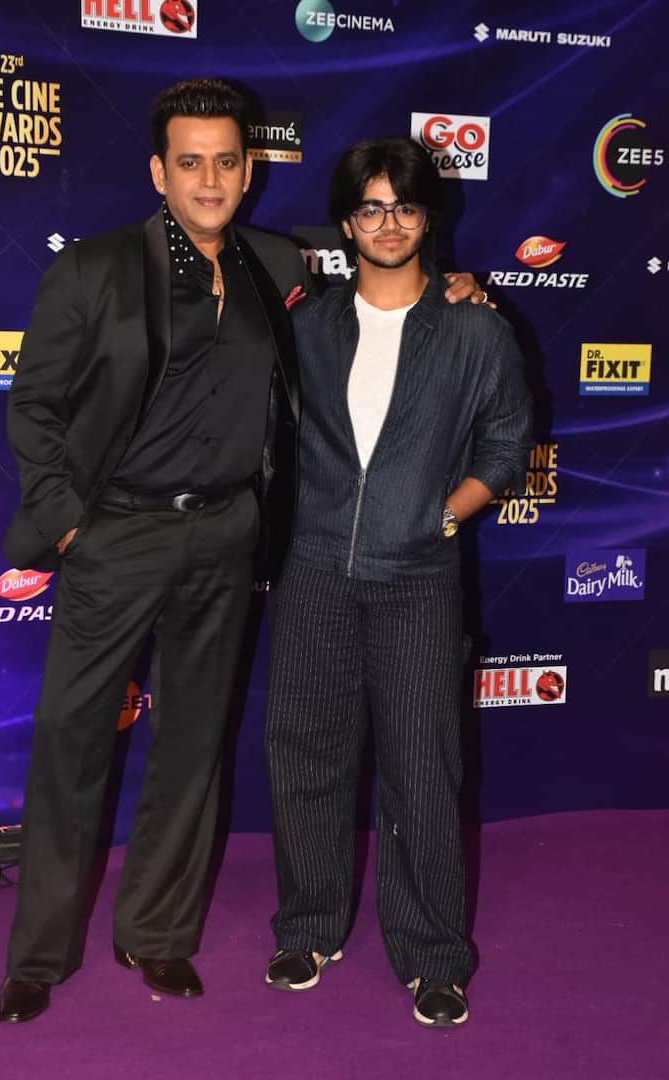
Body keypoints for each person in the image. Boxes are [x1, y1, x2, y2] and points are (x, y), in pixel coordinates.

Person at [0, 77, 484, 1024]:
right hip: (115, 534)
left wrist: (460, 288)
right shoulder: (93, 268)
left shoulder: (279, 263)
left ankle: (158, 934)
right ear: (159, 172)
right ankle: (39, 956)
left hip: (224, 536)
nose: (210, 179)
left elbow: (376, 304)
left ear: (249, 169)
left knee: (192, 745)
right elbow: (35, 408)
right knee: (69, 742)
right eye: (190, 162)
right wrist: (70, 527)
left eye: (226, 161)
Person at [264, 136, 533, 1028]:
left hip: (418, 577)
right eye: (371, 208)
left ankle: (432, 956)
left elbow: (506, 444)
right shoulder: (307, 327)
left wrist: (444, 517)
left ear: (427, 217)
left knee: (422, 768)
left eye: (405, 207)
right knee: (307, 757)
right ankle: (309, 927)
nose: (389, 223)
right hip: (313, 571)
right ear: (347, 224)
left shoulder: (474, 328)